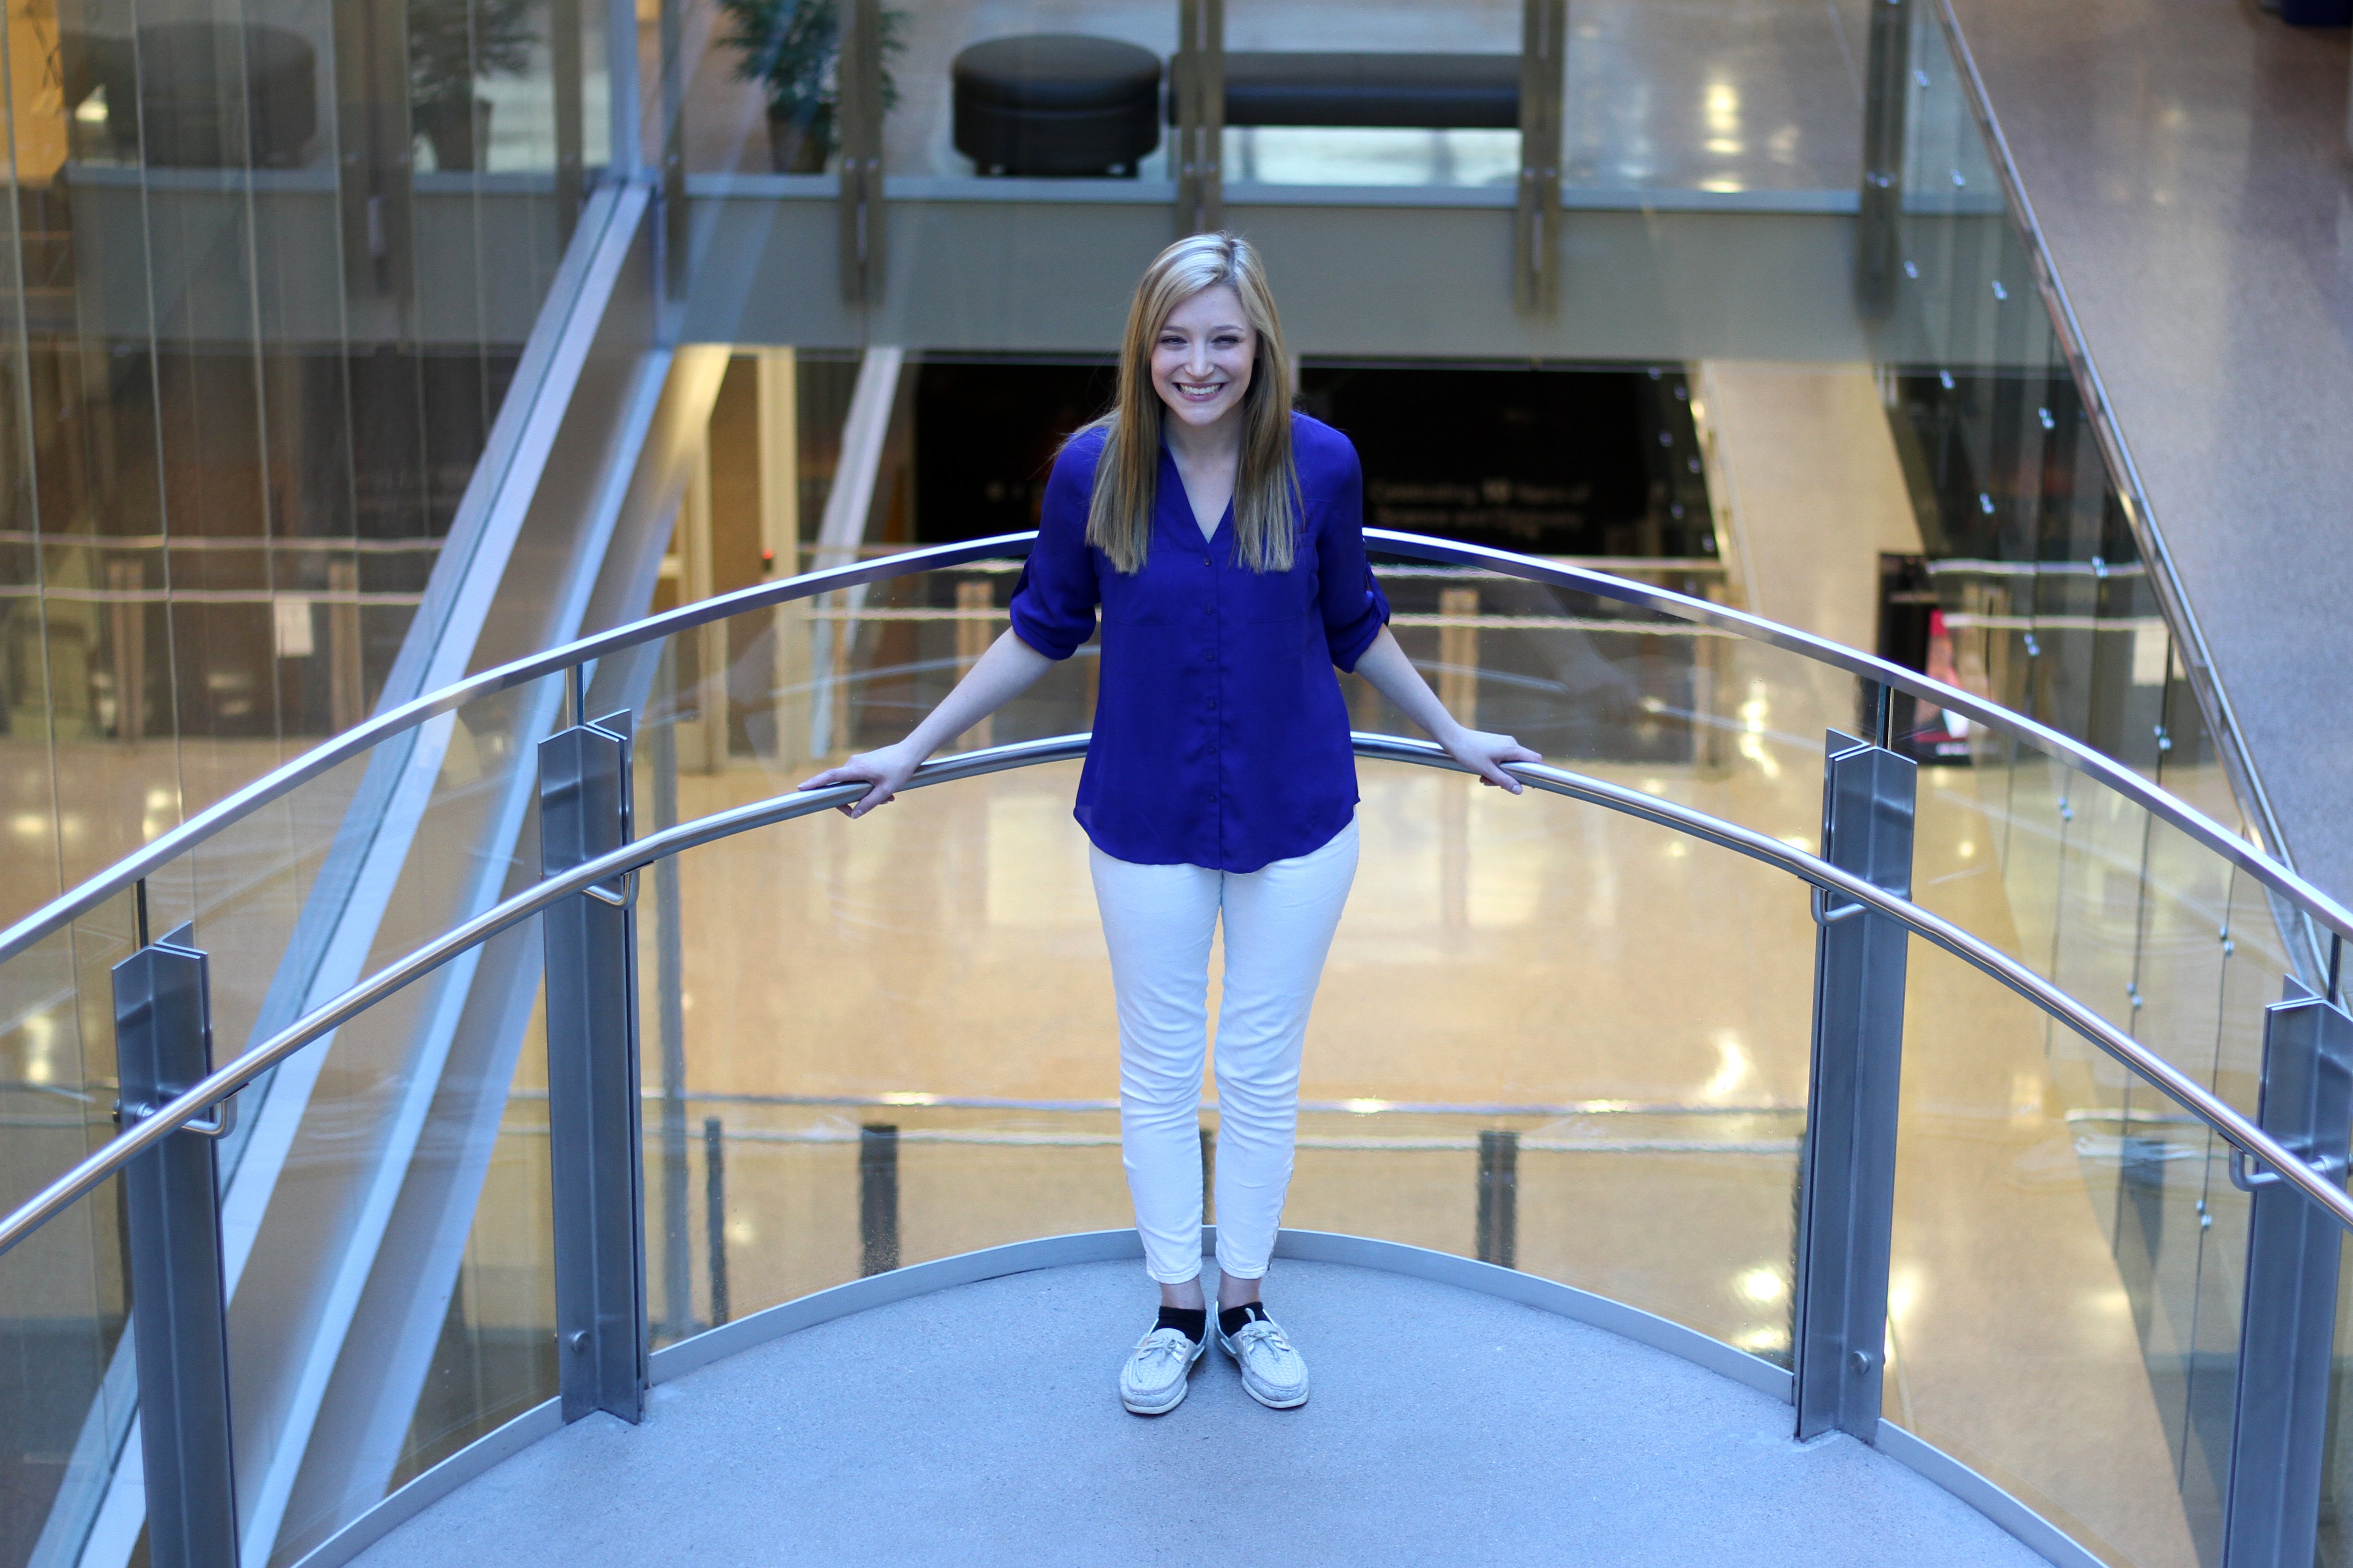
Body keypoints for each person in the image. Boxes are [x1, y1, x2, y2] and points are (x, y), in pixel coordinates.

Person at [799, 232, 1538, 1416]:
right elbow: (1041, 626)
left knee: (1256, 1067)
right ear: (1144, 346)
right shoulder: (1094, 471)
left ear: (1261, 348)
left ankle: (1244, 1302)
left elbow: (1353, 622)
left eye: (1223, 341)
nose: (1198, 365)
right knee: (1154, 1069)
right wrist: (910, 747)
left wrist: (1454, 735)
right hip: (1142, 810)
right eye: (1175, 340)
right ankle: (1174, 1307)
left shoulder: (1322, 465)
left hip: (1299, 809)